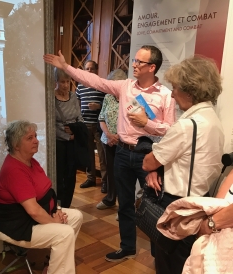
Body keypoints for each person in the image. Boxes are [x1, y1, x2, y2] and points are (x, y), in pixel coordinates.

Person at [43, 45, 176, 262]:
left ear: (152, 67)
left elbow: (170, 130)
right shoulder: (125, 87)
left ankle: (158, 255)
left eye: (139, 62)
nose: (133, 64)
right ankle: (127, 247)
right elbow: (95, 81)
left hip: (149, 156)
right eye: (134, 60)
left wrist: (148, 124)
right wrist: (66, 66)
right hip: (123, 153)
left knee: (154, 206)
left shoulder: (165, 95)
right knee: (124, 203)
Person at [142, 55, 224, 274]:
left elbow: (149, 161)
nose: (173, 94)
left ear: (190, 90)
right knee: (186, 270)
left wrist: (153, 166)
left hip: (176, 205)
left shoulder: (188, 125)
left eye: (176, 88)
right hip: (201, 203)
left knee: (168, 272)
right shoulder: (213, 120)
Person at [0, 120, 83, 274]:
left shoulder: (30, 161)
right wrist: (54, 221)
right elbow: (33, 210)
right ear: (16, 145)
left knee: (76, 216)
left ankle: (51, 267)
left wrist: (56, 210)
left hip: (31, 217)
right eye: (30, 138)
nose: (36, 140)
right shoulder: (14, 170)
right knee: (64, 232)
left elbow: (47, 191)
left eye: (35, 136)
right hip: (17, 225)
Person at [96, 69, 127, 210]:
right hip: (107, 140)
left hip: (124, 142)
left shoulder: (130, 98)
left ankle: (123, 206)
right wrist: (108, 134)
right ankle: (110, 199)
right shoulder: (108, 97)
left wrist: (118, 137)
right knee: (110, 171)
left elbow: (135, 121)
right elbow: (101, 117)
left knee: (122, 174)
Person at [54, 67, 84, 208]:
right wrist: (66, 136)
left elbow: (79, 118)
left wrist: (75, 132)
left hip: (74, 143)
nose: (65, 85)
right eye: (62, 82)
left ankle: (67, 205)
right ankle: (58, 204)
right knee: (59, 176)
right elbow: (51, 125)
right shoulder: (51, 98)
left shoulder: (73, 97)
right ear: (56, 81)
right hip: (58, 144)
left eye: (68, 81)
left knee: (71, 175)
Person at [76, 60, 107, 193]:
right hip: (85, 124)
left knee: (102, 154)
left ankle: (105, 181)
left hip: (100, 125)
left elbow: (108, 104)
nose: (89, 71)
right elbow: (77, 103)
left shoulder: (101, 84)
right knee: (88, 153)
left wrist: (98, 106)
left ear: (96, 70)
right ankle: (91, 178)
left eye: (92, 69)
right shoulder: (80, 86)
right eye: (87, 69)